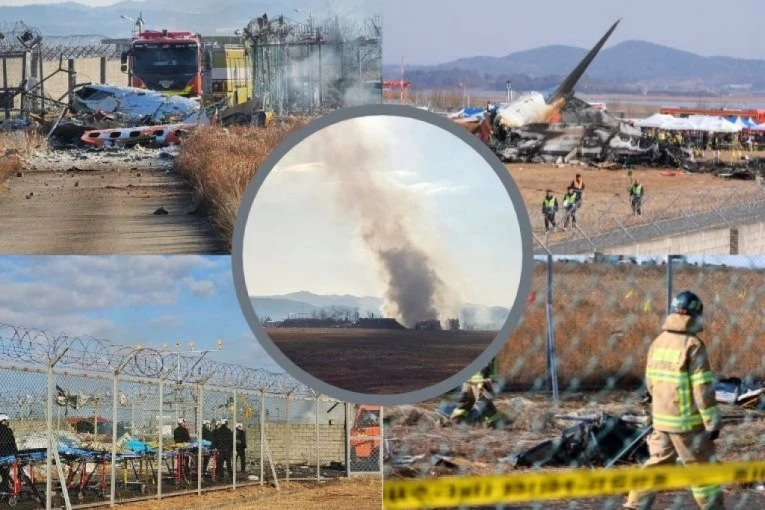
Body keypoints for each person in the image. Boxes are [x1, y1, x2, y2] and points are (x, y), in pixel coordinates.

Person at [624, 291, 724, 510]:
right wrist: (712, 422)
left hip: (661, 420)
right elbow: (702, 388)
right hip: (687, 423)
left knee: (657, 465)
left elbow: (651, 383)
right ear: (696, 315)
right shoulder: (693, 345)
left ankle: (634, 505)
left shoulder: (658, 342)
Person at [0, 414, 18, 494]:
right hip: (9, 456)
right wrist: (16, 454)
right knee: (5, 473)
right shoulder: (9, 430)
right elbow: (13, 444)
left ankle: (4, 487)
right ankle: (5, 487)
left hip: (2, 456)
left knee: (3, 471)